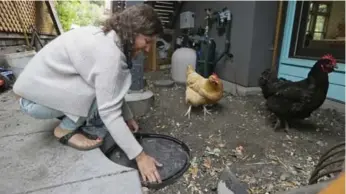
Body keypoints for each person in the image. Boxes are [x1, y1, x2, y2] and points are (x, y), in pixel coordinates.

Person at [13, 4, 164, 183]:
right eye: (147, 41)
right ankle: (64, 131)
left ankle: (69, 118)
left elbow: (113, 86)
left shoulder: (109, 38)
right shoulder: (109, 55)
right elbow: (109, 111)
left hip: (37, 93)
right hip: (33, 103)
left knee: (100, 89)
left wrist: (128, 116)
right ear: (132, 32)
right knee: (96, 93)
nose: (148, 49)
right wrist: (140, 156)